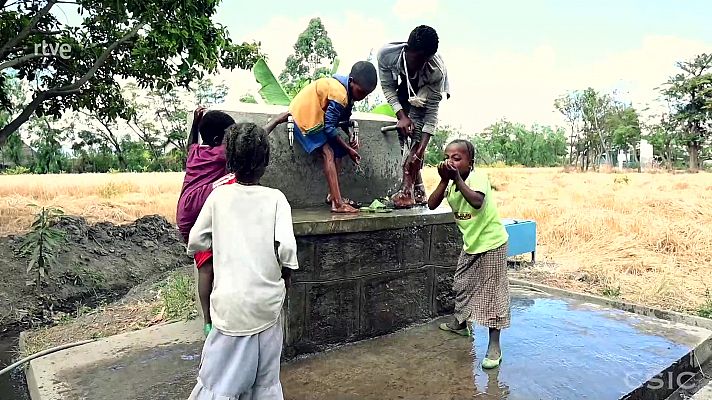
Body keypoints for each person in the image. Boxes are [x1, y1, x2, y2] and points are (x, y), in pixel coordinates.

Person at [186, 122, 299, 399]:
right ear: (266, 160)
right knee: (265, 380)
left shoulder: (219, 197)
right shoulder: (276, 199)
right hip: (267, 305)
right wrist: (285, 278)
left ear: (230, 160)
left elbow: (196, 241)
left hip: (230, 308)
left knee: (220, 382)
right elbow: (287, 250)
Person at [427, 139, 510, 370]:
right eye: (447, 157)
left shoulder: (477, 178)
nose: (451, 161)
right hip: (471, 244)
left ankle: (494, 346)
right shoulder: (450, 182)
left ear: (469, 162)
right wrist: (445, 180)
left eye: (457, 158)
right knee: (461, 285)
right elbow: (431, 204)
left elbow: (477, 202)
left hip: (492, 242)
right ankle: (460, 324)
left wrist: (457, 180)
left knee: (494, 294)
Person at [265, 61, 378, 213]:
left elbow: (342, 119)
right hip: (306, 116)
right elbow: (330, 128)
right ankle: (337, 204)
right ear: (351, 81)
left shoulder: (346, 92)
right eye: (361, 92)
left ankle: (333, 196)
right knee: (328, 153)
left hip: (318, 117)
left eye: (366, 94)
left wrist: (349, 135)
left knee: (339, 152)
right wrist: (349, 149)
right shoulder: (339, 93)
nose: (362, 97)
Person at [176, 107, 236, 334]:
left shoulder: (196, 152)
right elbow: (251, 143)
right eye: (230, 137)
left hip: (185, 212)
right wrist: (276, 122)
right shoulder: (220, 154)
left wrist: (195, 123)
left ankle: (208, 320)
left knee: (205, 266)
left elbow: (193, 141)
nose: (232, 142)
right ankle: (209, 321)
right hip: (197, 214)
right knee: (207, 267)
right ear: (219, 140)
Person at [378, 25, 450, 208]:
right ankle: (417, 190)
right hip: (405, 85)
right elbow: (388, 87)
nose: (422, 64)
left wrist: (421, 150)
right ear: (407, 49)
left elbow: (431, 113)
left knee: (415, 139)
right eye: (418, 58)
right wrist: (402, 116)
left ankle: (407, 192)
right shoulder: (387, 55)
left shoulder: (435, 70)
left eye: (427, 59)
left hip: (426, 89)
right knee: (404, 134)